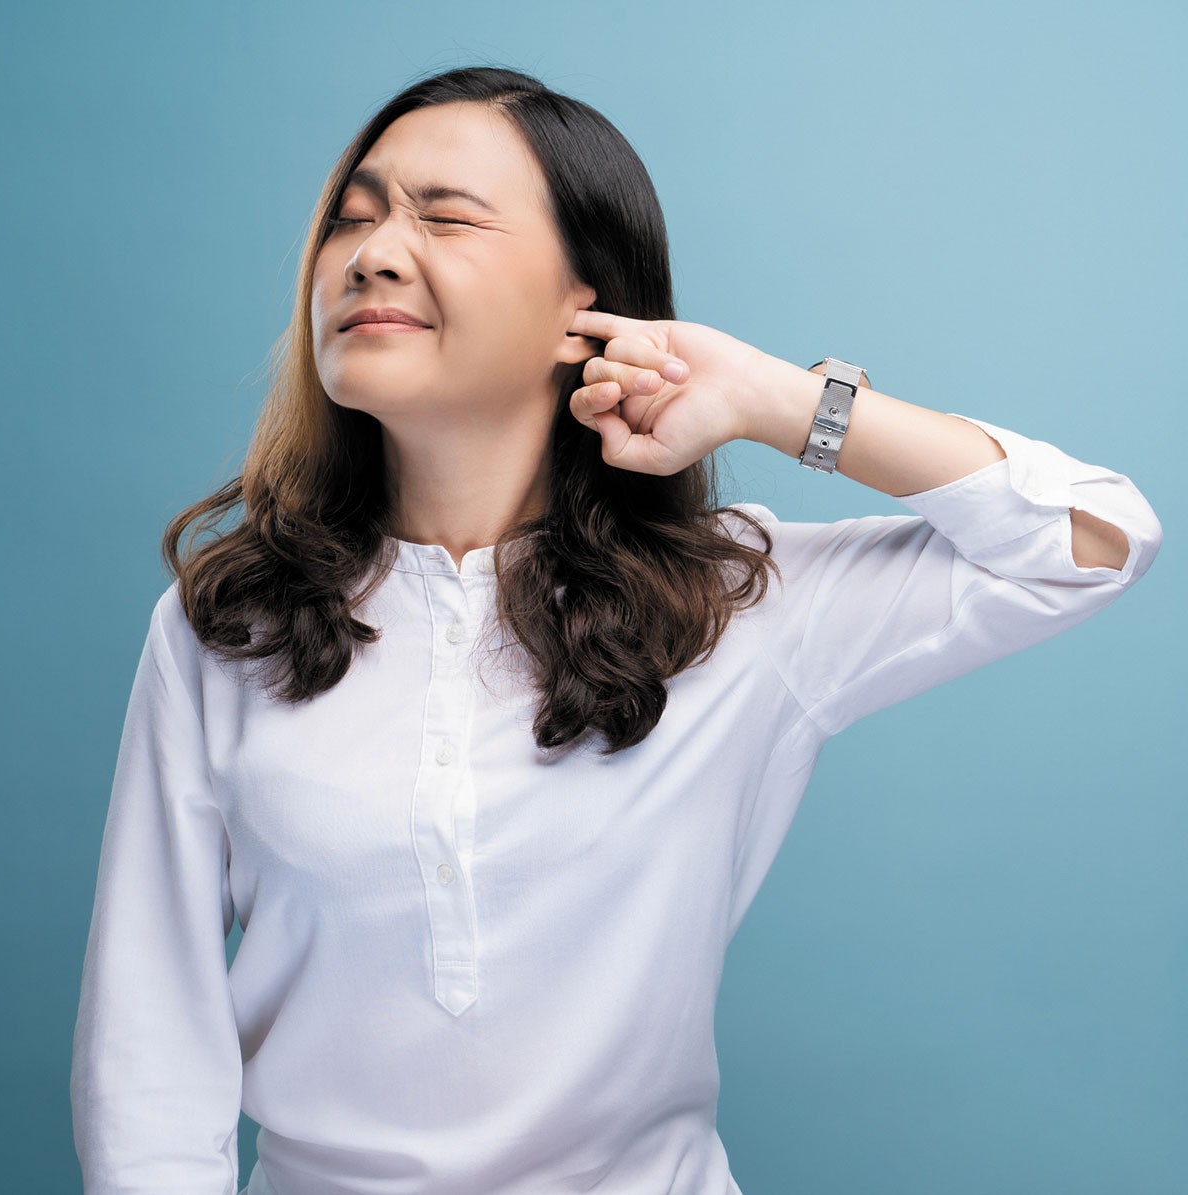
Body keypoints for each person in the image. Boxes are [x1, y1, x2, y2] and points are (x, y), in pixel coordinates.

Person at [69, 64, 1162, 1195]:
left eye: (443, 216)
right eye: (352, 217)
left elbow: (1096, 539)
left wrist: (780, 400)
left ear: (580, 306)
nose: (373, 251)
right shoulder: (227, 625)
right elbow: (148, 1054)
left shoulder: (737, 603)